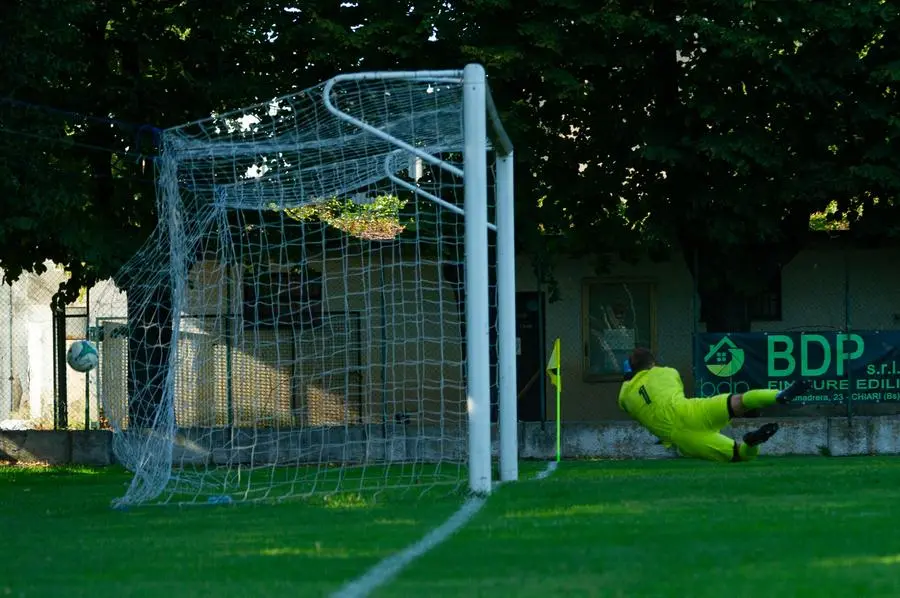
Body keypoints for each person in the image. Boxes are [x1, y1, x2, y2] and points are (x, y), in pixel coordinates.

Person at [618, 347, 808, 463]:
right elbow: (663, 379)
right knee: (738, 401)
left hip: (683, 438)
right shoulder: (668, 372)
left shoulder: (626, 396)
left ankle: (751, 443)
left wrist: (628, 378)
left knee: (739, 455)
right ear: (652, 363)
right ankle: (778, 395)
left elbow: (627, 402)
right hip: (690, 410)